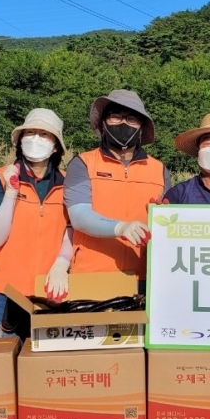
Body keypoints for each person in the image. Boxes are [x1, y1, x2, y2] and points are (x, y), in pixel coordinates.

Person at [63, 89, 170, 281]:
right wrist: (120, 228)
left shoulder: (159, 169)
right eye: (115, 117)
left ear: (140, 128)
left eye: (131, 119)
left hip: (146, 277)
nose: (123, 123)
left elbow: (168, 223)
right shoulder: (83, 163)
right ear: (103, 124)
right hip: (93, 275)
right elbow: (79, 216)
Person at [0, 108, 72, 337]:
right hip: (4, 291)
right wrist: (12, 191)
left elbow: (72, 230)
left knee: (42, 368)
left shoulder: (68, 183)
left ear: (56, 146)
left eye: (44, 134)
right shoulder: (0, 177)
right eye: (30, 132)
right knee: (3, 367)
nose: (35, 139)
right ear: (20, 140)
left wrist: (62, 263)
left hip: (49, 291)